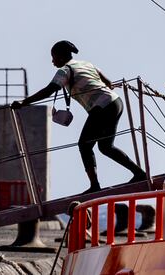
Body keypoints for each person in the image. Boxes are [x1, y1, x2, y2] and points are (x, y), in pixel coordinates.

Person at [11, 40, 146, 194]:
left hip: (102, 107)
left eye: (53, 57)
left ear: (61, 57)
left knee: (84, 145)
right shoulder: (86, 64)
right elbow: (107, 82)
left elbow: (50, 90)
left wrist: (24, 102)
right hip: (115, 102)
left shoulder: (65, 70)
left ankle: (95, 185)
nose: (52, 61)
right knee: (105, 147)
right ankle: (139, 174)